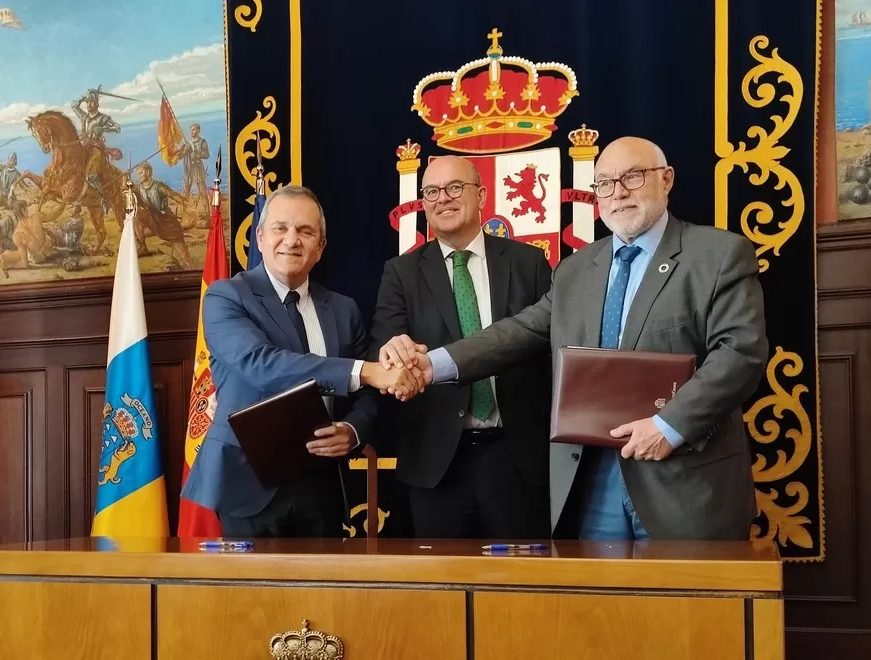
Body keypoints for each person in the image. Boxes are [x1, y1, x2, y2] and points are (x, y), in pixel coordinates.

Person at [381, 137, 767, 541]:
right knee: (594, 586)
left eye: (633, 177)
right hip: (594, 481)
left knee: (687, 587)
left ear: (666, 179)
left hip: (685, 483)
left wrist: (669, 425)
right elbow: (520, 331)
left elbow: (740, 354)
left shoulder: (718, 254)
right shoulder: (576, 269)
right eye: (605, 183)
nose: (618, 192)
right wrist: (432, 365)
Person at [183, 184, 420, 538]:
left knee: (323, 578)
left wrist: (353, 430)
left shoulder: (343, 310)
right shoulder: (226, 297)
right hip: (247, 483)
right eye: (280, 228)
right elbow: (262, 365)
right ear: (260, 238)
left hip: (322, 483)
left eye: (305, 231)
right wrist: (367, 371)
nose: (291, 240)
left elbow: (367, 394)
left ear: (320, 247)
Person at [367, 155, 553, 540]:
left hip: (517, 458)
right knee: (444, 576)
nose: (442, 199)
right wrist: (394, 353)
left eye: (454, 187)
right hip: (437, 463)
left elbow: (551, 349)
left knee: (521, 576)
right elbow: (382, 355)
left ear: (481, 195)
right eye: (431, 192)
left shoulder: (529, 262)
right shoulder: (400, 272)